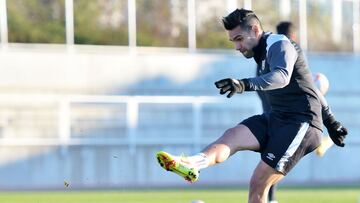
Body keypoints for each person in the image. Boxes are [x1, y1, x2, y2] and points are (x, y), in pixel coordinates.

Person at [156, 9, 347, 203]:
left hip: (301, 124)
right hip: (276, 118)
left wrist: (243, 84)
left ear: (255, 30)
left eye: (239, 39)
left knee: (258, 183)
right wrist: (332, 122)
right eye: (233, 41)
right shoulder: (259, 53)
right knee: (233, 135)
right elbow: (309, 86)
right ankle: (192, 163)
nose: (237, 47)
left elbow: (281, 77)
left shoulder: (279, 44)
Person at [263, 21, 344, 203]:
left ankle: (270, 199)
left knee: (272, 159)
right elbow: (305, 86)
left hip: (274, 114)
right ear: (294, 36)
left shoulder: (267, 51)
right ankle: (270, 198)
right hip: (286, 116)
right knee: (273, 160)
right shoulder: (291, 49)